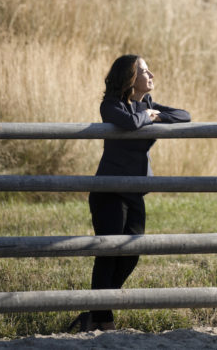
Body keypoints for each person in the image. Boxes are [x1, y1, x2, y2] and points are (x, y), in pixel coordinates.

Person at [67, 55, 191, 332]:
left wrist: (152, 113)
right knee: (108, 254)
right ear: (130, 78)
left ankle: (93, 313)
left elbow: (184, 116)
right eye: (145, 71)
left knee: (132, 253)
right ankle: (103, 321)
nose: (152, 75)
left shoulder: (145, 104)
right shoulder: (110, 106)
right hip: (109, 190)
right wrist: (148, 116)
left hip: (134, 191)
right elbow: (130, 123)